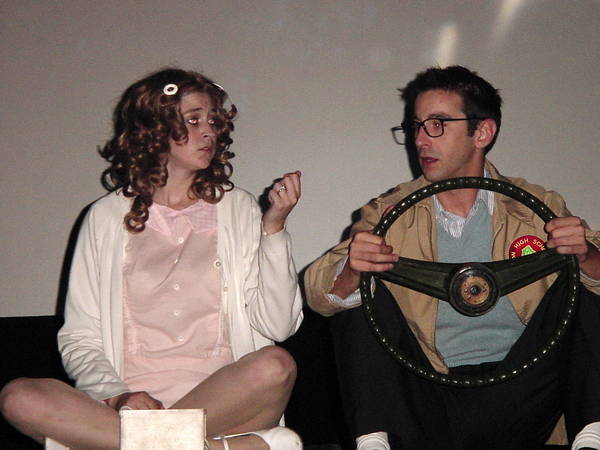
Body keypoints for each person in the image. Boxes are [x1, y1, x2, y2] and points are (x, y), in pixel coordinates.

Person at [0, 68, 304, 450]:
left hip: (225, 406)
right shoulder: (105, 217)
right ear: (154, 130)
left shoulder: (238, 209)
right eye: (193, 120)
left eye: (213, 121)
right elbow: (79, 337)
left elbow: (278, 325)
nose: (209, 132)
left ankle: (135, 444)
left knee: (276, 365)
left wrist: (274, 230)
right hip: (127, 411)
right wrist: (118, 397)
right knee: (19, 397)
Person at [304, 66, 600, 450]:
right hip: (428, 395)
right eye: (416, 126)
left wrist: (586, 254)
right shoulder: (387, 212)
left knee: (583, 282)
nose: (420, 140)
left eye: (437, 124)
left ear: (482, 132)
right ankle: (373, 442)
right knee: (359, 288)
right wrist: (351, 271)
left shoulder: (537, 206)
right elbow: (319, 295)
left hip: (523, 391)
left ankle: (591, 436)